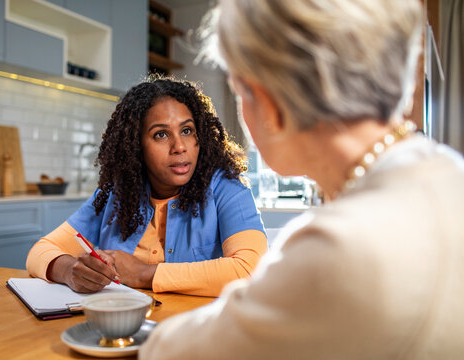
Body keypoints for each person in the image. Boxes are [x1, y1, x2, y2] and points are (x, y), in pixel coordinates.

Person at [140, 1, 464, 359]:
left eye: (239, 91)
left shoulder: (336, 248)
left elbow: (172, 354)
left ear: (269, 102)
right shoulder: (447, 170)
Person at [26, 77, 267, 297]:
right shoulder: (117, 194)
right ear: (136, 146)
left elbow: (251, 270)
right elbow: (41, 250)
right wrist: (70, 270)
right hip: (121, 330)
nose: (179, 146)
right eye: (161, 134)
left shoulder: (226, 187)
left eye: (186, 130)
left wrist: (143, 273)